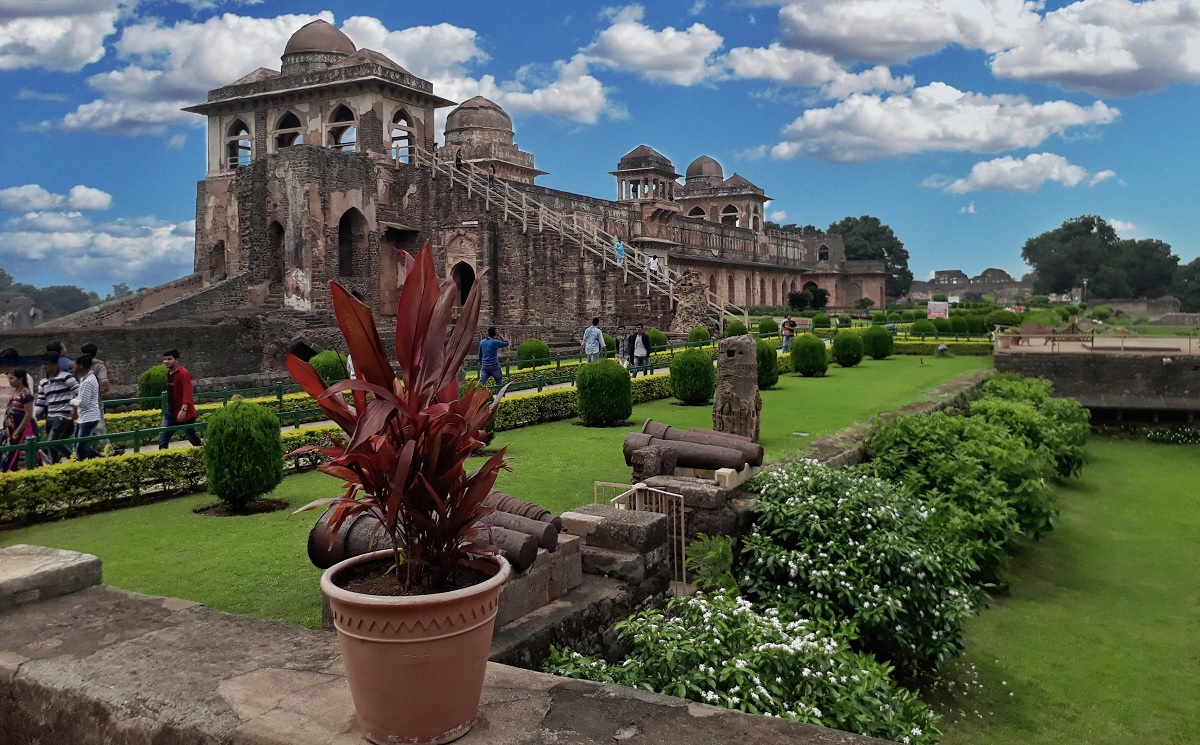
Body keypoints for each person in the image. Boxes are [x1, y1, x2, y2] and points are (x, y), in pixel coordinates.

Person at [34, 352, 78, 463]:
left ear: (54, 365)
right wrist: (33, 416)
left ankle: (74, 458)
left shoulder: (65, 377)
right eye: (43, 365)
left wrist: (74, 408)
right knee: (51, 441)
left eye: (47, 365)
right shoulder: (43, 382)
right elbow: (40, 402)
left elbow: (79, 392)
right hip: (50, 414)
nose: (44, 367)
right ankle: (55, 463)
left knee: (52, 441)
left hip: (63, 414)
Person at [159, 349, 202, 449]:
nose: (166, 361)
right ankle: (162, 458)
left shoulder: (183, 373)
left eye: (169, 359)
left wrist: (184, 409)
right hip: (171, 412)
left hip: (185, 412)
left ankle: (202, 451)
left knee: (191, 436)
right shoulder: (169, 374)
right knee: (163, 437)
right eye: (165, 359)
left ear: (176, 360)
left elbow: (187, 392)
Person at [2, 368, 37, 471]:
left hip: (22, 430)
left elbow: (28, 415)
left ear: (20, 379)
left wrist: (16, 433)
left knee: (20, 457)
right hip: (12, 429)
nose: (10, 381)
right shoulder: (15, 393)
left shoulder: (26, 394)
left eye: (12, 378)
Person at [69, 355, 102, 460]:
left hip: (89, 418)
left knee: (80, 448)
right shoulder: (85, 378)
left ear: (81, 366)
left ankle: (97, 460)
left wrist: (71, 401)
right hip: (84, 417)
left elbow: (84, 403)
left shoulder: (88, 381)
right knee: (78, 446)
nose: (74, 367)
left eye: (77, 365)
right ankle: (99, 458)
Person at [80, 343, 111, 449]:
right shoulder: (99, 366)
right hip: (95, 402)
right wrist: (105, 389)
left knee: (82, 429)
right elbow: (104, 381)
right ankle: (109, 451)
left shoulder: (79, 365)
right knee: (100, 428)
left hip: (80, 401)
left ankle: (80, 452)